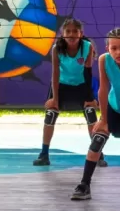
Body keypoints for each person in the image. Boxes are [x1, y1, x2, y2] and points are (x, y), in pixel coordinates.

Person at [71, 28, 120, 201]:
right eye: (114, 48)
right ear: (108, 49)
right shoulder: (103, 60)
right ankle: (84, 186)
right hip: (114, 107)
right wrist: (104, 119)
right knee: (97, 140)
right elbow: (103, 89)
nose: (118, 52)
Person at [34, 19, 102, 167]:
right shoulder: (56, 49)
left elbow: (88, 73)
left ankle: (98, 154)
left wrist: (90, 98)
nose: (71, 35)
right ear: (62, 34)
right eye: (68, 32)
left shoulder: (87, 47)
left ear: (81, 34)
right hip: (61, 86)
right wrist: (54, 99)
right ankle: (44, 154)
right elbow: (55, 74)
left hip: (81, 86)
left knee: (91, 112)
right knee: (50, 114)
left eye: (75, 31)